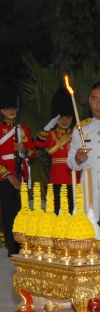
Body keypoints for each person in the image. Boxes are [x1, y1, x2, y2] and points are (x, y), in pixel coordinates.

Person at [0, 79, 36, 256]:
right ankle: (12, 245)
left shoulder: (24, 129)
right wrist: (10, 176)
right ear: (2, 110)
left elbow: (32, 154)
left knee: (23, 210)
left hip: (23, 173)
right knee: (9, 212)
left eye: (13, 108)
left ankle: (23, 243)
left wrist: (24, 149)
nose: (12, 111)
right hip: (7, 176)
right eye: (8, 108)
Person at [34, 87, 76, 213]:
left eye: (67, 117)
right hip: (56, 179)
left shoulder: (77, 134)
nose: (64, 120)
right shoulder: (51, 135)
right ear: (56, 118)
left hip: (74, 179)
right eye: (61, 117)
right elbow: (37, 143)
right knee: (57, 213)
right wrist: (47, 127)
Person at [67, 81, 100, 221]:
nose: (98, 104)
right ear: (89, 100)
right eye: (94, 99)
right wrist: (77, 159)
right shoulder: (81, 129)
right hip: (91, 196)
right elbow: (70, 162)